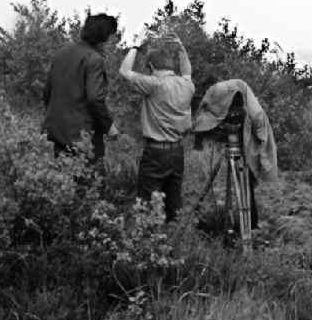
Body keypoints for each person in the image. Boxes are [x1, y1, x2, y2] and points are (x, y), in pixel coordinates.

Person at [118, 29, 195, 222]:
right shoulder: (186, 85)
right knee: (174, 205)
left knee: (145, 205)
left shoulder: (153, 84)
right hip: (178, 151)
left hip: (155, 153)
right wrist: (181, 48)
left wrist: (135, 47)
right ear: (170, 66)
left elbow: (124, 71)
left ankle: (146, 243)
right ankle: (175, 243)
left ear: (151, 66)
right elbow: (187, 71)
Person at [193, 79, 278, 228]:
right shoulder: (215, 96)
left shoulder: (253, 112)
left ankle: (251, 224)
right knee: (242, 183)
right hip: (235, 139)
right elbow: (203, 118)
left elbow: (261, 132)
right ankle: (222, 220)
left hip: (246, 142)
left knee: (246, 182)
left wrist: (260, 155)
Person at [43, 13, 120, 162]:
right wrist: (109, 126)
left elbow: (47, 93)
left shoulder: (60, 54)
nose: (112, 42)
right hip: (84, 138)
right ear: (104, 36)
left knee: (63, 181)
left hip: (58, 134)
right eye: (112, 37)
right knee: (91, 182)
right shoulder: (94, 59)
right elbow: (94, 98)